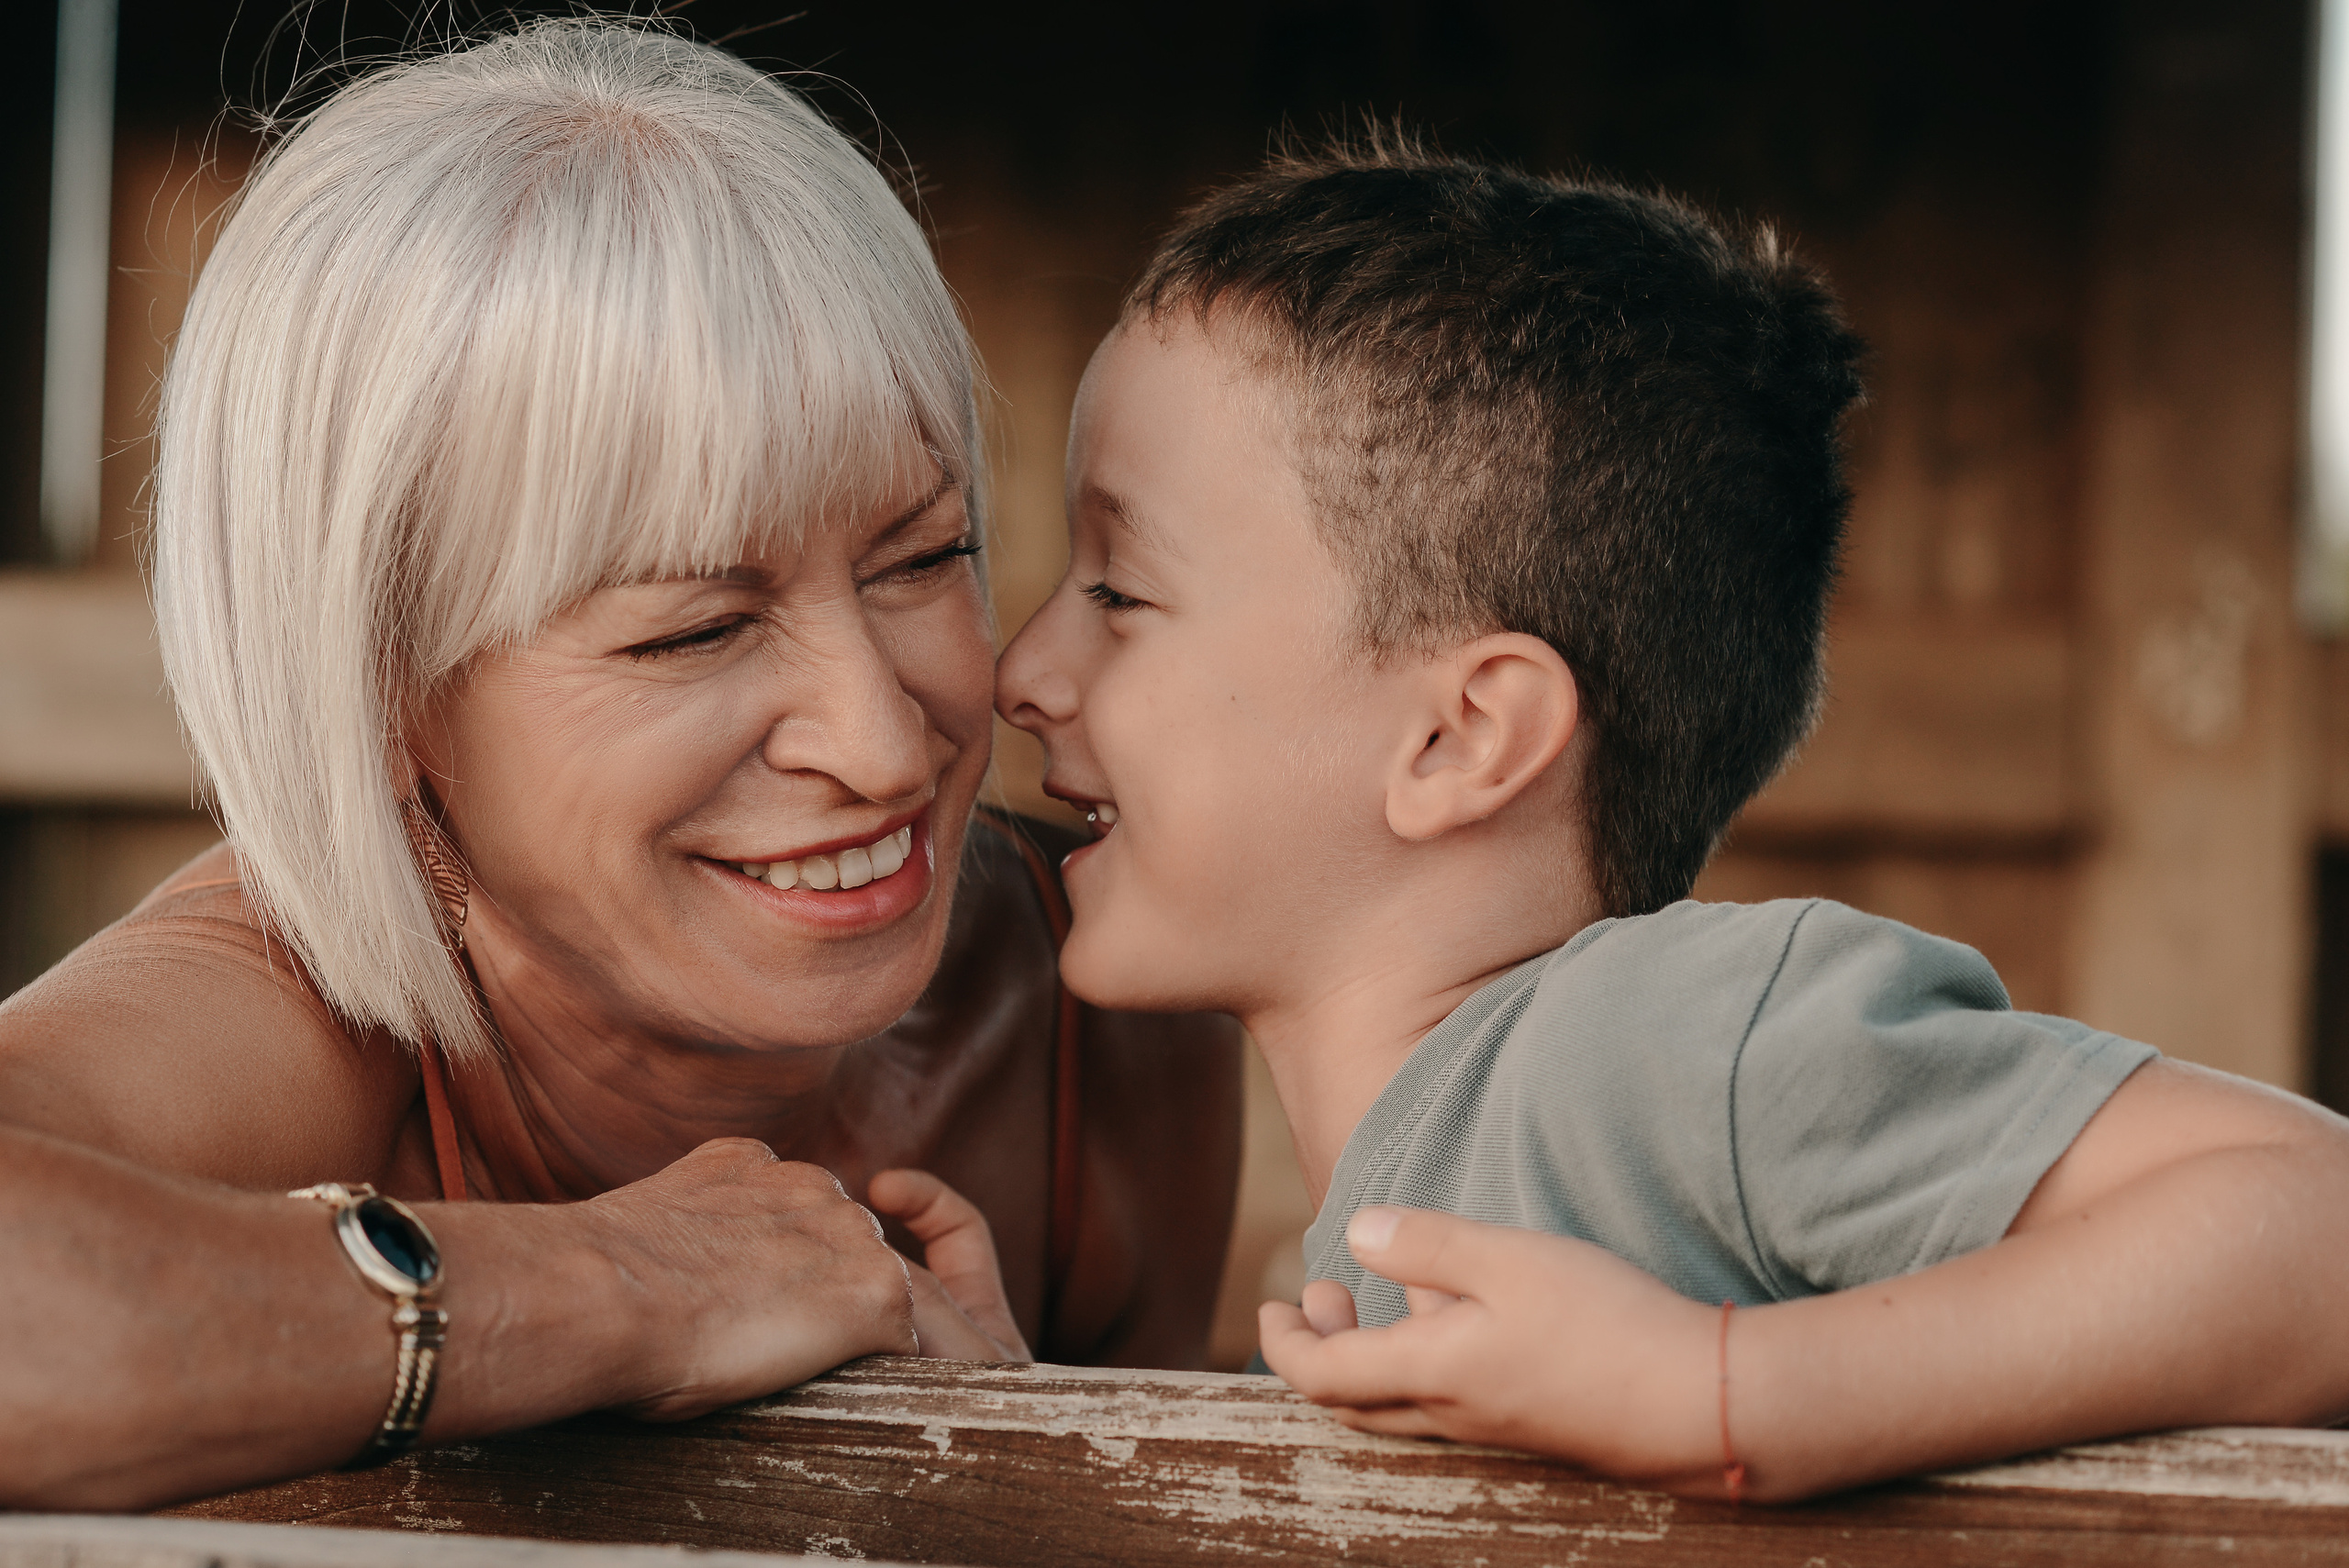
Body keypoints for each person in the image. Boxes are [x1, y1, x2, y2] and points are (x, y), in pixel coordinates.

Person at [993, 138, 2349, 1503]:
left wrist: (1724, 1393)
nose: (1022, 672)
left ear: (1461, 736)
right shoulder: (1421, 1202)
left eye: (1119, 592)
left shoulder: (1638, 1045)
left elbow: (2322, 1226)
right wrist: (1004, 1417)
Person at [0, 18, 1241, 1508]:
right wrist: (643, 1281)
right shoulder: (282, 1009)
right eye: (696, 631)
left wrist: (994, 1487)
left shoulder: (1105, 1006)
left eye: (926, 556)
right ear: (386, 694)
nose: (881, 739)